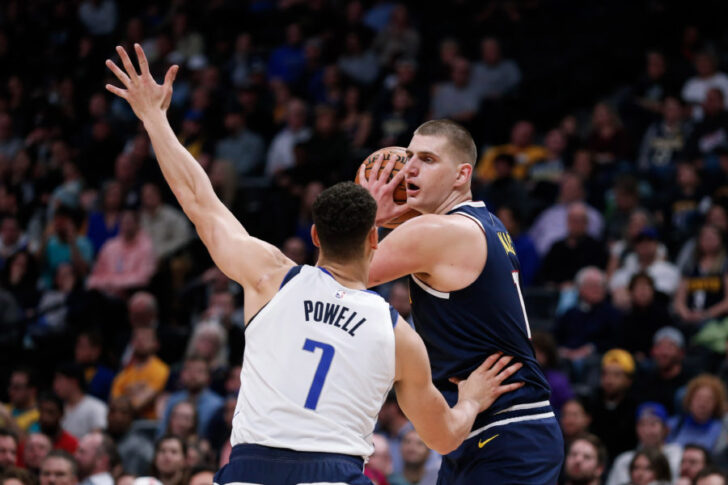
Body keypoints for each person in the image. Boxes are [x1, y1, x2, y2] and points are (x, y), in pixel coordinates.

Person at [105, 45, 524, 485]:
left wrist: (153, 116)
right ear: (374, 237)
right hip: (334, 473)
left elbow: (199, 200)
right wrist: (473, 401)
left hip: (249, 470)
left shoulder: (269, 276)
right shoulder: (398, 334)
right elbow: (444, 438)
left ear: (315, 237)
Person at [359, 118, 563, 482]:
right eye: (408, 157)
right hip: (482, 425)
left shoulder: (439, 230)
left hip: (504, 426)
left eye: (427, 159)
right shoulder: (485, 223)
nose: (409, 169)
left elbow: (341, 275)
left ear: (461, 174)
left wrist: (369, 214)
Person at [606, 402, 683, 485]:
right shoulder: (624, 459)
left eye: (653, 424)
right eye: (642, 424)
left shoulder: (676, 453)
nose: (647, 430)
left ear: (666, 429)